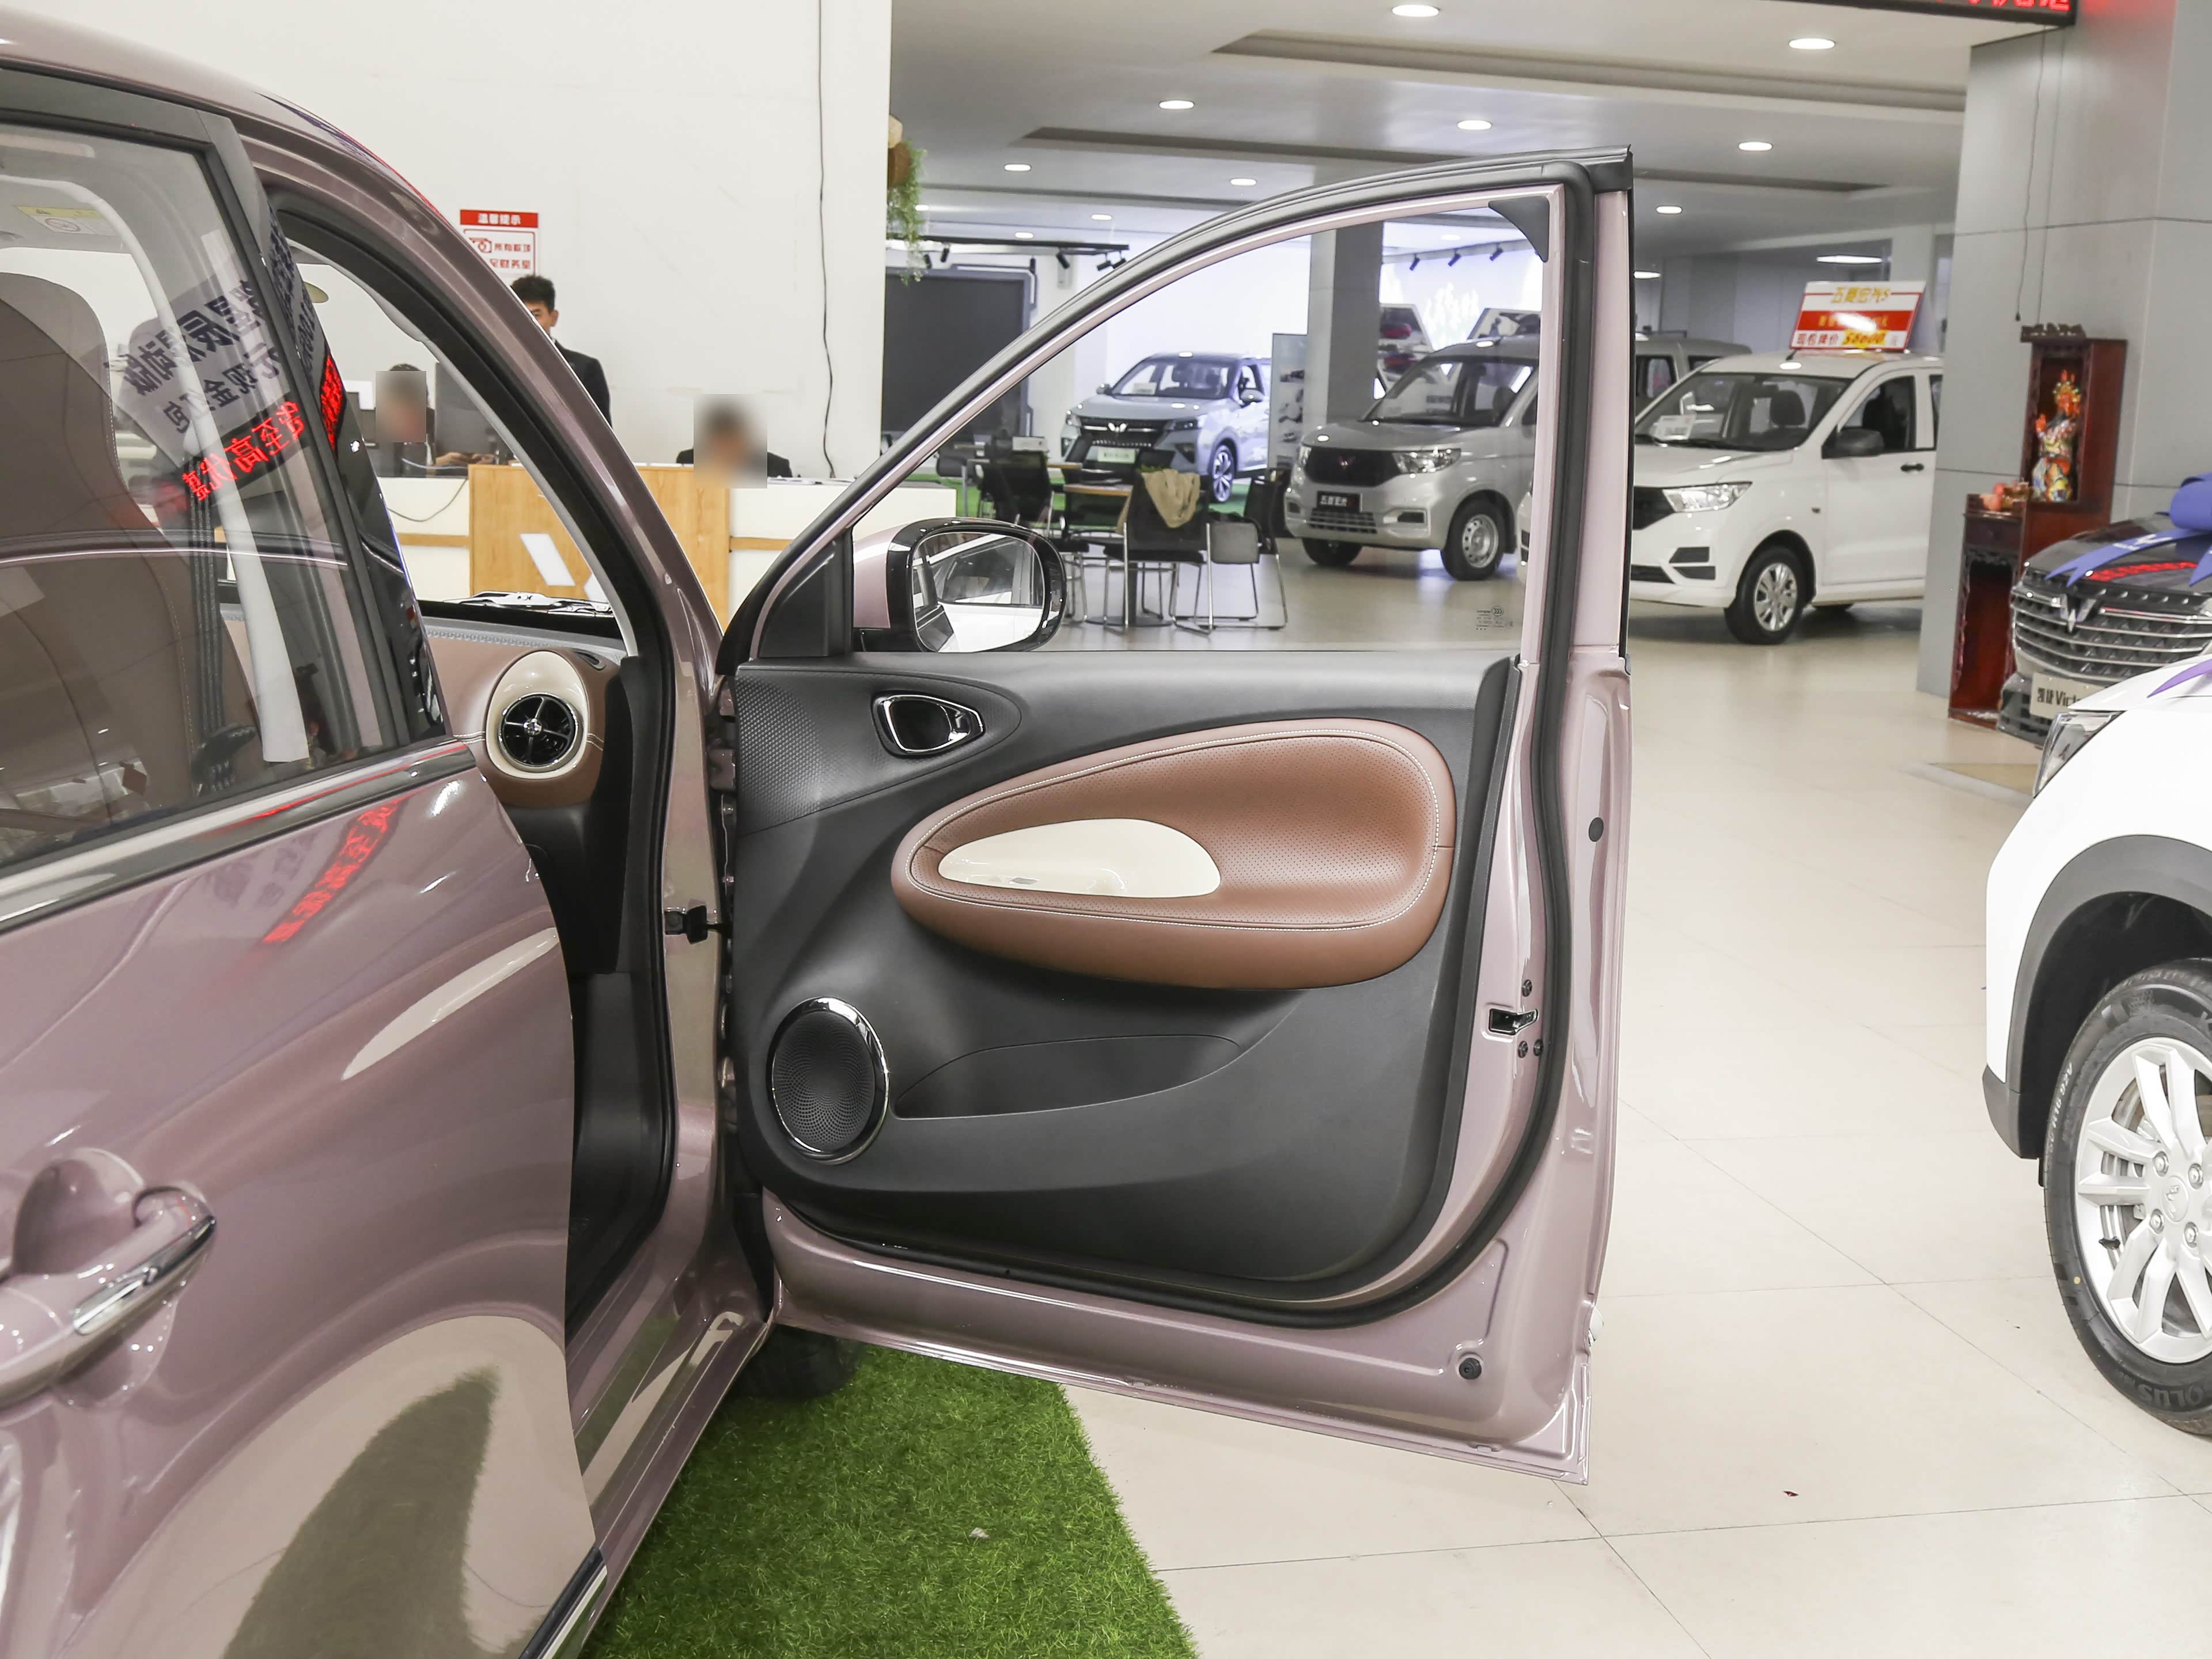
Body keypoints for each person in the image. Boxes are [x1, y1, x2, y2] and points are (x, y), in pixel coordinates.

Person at [510, 274, 610, 422]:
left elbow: (599, 430)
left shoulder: (584, 369)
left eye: (536, 315)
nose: (528, 322)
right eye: (521, 314)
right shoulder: (500, 360)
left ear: (553, 318)